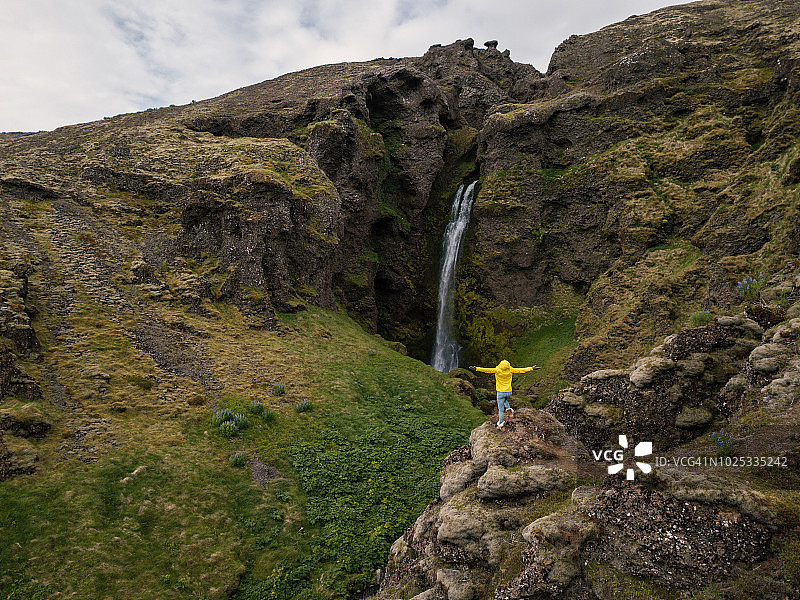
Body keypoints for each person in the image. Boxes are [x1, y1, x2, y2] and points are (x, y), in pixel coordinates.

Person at [469, 360, 540, 430]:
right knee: (505, 400)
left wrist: (476, 368)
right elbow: (521, 370)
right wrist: (531, 368)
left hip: (500, 392)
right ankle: (509, 410)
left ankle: (501, 424)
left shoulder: (497, 370)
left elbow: (486, 370)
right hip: (509, 392)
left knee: (501, 410)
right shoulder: (510, 370)